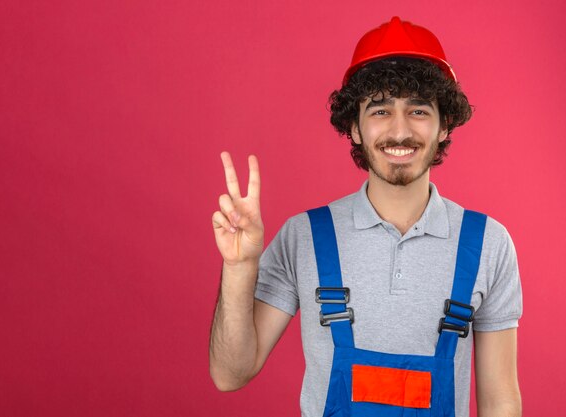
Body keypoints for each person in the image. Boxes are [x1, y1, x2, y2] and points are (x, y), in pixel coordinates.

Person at [209, 16, 523, 417]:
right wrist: (239, 266)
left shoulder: (488, 244)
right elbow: (229, 374)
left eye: (418, 111)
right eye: (379, 110)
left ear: (445, 125)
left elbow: (500, 401)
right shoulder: (303, 236)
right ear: (354, 128)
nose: (399, 131)